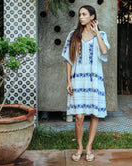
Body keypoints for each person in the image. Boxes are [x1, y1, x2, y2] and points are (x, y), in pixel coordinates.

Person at [61, 5, 110, 162]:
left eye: (84, 14)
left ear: (92, 17)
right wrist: (68, 81)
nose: (81, 17)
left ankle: (89, 147)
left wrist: (96, 33)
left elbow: (104, 51)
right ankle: (80, 147)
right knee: (79, 116)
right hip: (77, 80)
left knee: (94, 114)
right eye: (80, 14)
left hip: (94, 80)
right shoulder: (73, 35)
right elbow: (69, 59)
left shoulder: (101, 34)